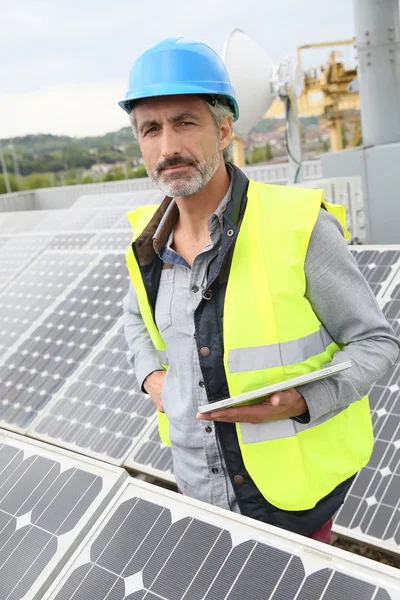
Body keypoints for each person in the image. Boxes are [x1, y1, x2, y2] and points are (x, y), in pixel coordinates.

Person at [120, 37, 399, 543]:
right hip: (198, 492)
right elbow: (136, 319)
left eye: (185, 122)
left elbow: (377, 344)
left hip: (292, 506)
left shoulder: (298, 227)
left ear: (224, 129)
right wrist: (151, 380)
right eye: (150, 129)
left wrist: (303, 399)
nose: (168, 148)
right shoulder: (146, 242)